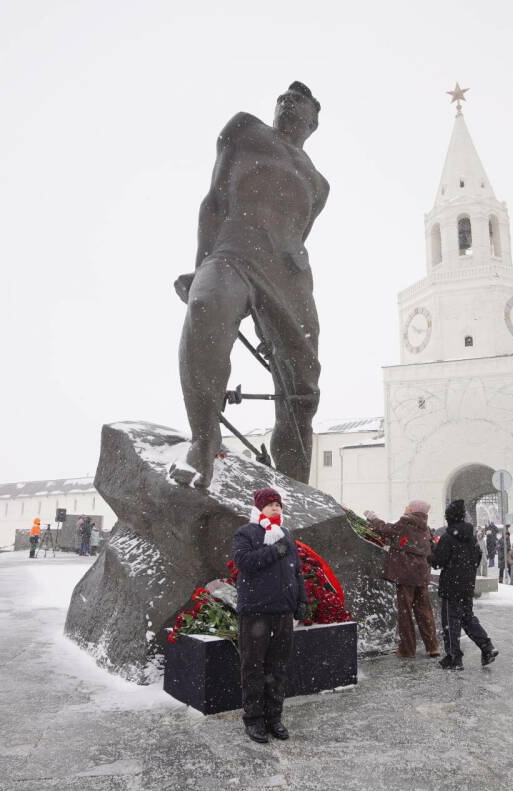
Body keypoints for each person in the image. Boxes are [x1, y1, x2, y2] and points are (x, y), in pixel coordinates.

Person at [172, 82, 329, 489]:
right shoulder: (246, 130)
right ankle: (204, 444)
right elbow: (214, 201)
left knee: (302, 384)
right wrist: (199, 266)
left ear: (313, 120)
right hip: (236, 246)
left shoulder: (318, 183)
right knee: (206, 307)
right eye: (284, 99)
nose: (288, 104)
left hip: (289, 272)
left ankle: (294, 482)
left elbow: (300, 231)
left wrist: (271, 323)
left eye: (299, 102)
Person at [231, 488, 307, 743]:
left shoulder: (286, 533)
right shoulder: (247, 532)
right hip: (256, 613)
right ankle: (253, 720)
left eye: (278, 504)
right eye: (270, 504)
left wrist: (301, 600)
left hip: (283, 612)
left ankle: (274, 717)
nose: (276, 508)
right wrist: (275, 550)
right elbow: (244, 562)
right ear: (259, 507)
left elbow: (296, 571)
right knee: (253, 668)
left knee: (278, 668)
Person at [429, 499, 498, 670]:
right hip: (466, 585)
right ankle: (487, 647)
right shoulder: (470, 537)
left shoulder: (447, 537)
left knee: (450, 621)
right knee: (467, 618)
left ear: (449, 518)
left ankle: (454, 657)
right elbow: (478, 556)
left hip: (451, 586)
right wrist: (466, 572)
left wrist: (431, 552)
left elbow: (438, 562)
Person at [367, 501, 441, 659]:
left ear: (413, 510)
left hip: (406, 575)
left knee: (405, 613)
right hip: (421, 575)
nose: (405, 507)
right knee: (425, 612)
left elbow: (385, 529)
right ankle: (433, 647)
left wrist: (373, 519)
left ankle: (407, 650)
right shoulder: (425, 527)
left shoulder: (406, 523)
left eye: (408, 506)